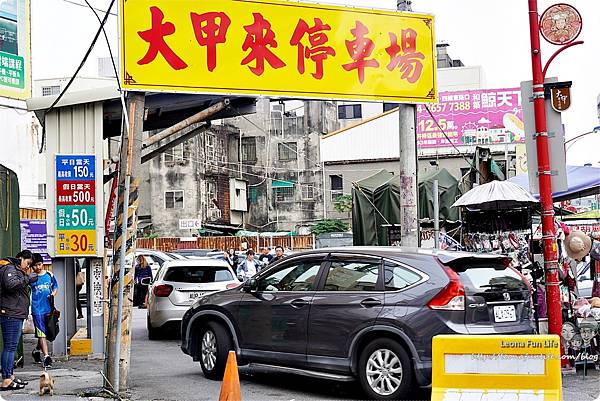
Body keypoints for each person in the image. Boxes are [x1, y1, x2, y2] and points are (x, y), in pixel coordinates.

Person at [0, 250, 35, 391]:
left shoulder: (14, 269)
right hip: (11, 313)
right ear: (21, 258)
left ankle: (10, 376)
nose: (28, 267)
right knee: (10, 347)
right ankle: (7, 379)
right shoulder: (9, 268)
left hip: (14, 312)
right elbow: (11, 285)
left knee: (11, 347)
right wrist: (27, 279)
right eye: (28, 263)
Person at [30, 253, 58, 369]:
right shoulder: (31, 278)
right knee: (42, 333)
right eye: (35, 265)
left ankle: (37, 350)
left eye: (40, 264)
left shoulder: (49, 275)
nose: (38, 267)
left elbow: (55, 286)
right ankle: (46, 357)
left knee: (47, 332)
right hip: (37, 310)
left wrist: (53, 294)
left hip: (49, 309)